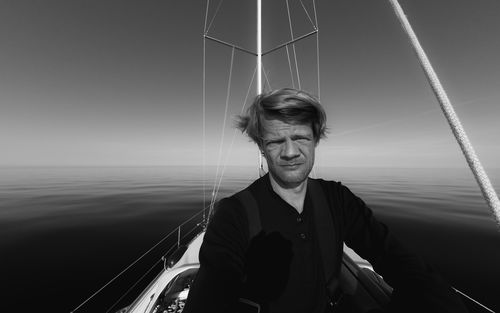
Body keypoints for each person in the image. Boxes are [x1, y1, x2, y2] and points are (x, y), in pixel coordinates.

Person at [183, 88, 467, 313]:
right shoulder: (234, 214)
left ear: (316, 138)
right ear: (261, 147)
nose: (290, 152)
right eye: (275, 142)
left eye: (300, 137)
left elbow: (393, 256)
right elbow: (211, 292)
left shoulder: (337, 199)